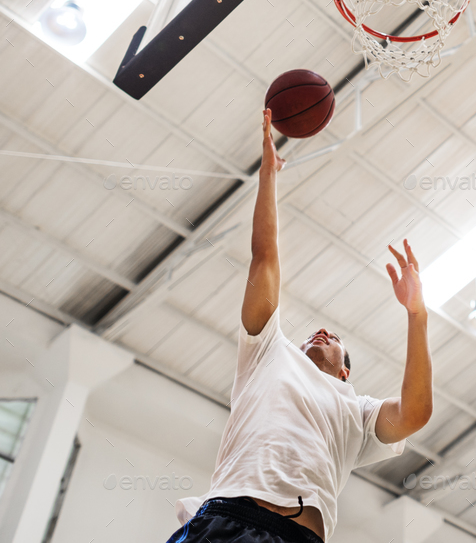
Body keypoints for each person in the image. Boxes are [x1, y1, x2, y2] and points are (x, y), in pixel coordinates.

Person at [169, 109, 433, 543]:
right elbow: (265, 258)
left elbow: (415, 413)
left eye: (335, 340)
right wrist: (268, 175)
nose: (322, 332)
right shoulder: (267, 351)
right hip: (223, 520)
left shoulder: (358, 412)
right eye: (314, 333)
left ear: (345, 372)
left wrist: (416, 314)